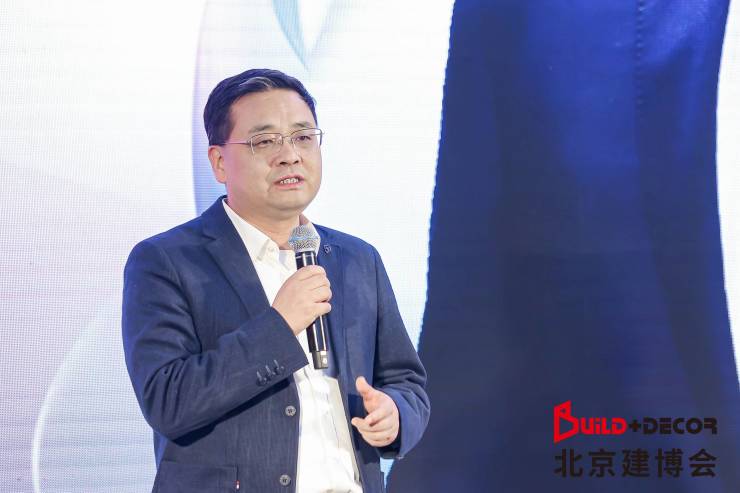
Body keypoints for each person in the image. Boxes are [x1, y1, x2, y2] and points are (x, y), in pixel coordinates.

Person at [122, 68, 429, 493]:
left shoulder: (357, 259)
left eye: (303, 137)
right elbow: (168, 400)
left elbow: (405, 381)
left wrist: (394, 415)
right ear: (219, 162)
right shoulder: (166, 261)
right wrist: (279, 326)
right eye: (265, 141)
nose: (290, 155)